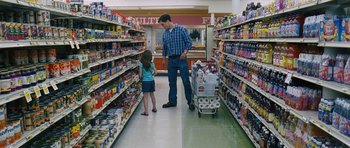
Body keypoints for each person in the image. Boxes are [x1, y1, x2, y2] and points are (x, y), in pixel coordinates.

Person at [158, 14, 195, 111]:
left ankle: (190, 101)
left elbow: (189, 42)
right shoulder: (165, 33)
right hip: (171, 60)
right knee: (172, 82)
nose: (162, 26)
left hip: (181, 59)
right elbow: (165, 47)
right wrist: (163, 58)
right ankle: (172, 101)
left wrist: (185, 52)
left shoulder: (181, 29)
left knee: (186, 81)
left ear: (168, 21)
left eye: (162, 24)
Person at [139, 50, 157, 116]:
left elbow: (140, 75)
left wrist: (141, 78)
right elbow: (156, 72)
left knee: (145, 97)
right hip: (152, 81)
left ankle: (146, 112)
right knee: (152, 95)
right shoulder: (152, 64)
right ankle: (154, 108)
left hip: (145, 82)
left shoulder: (141, 64)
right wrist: (152, 75)